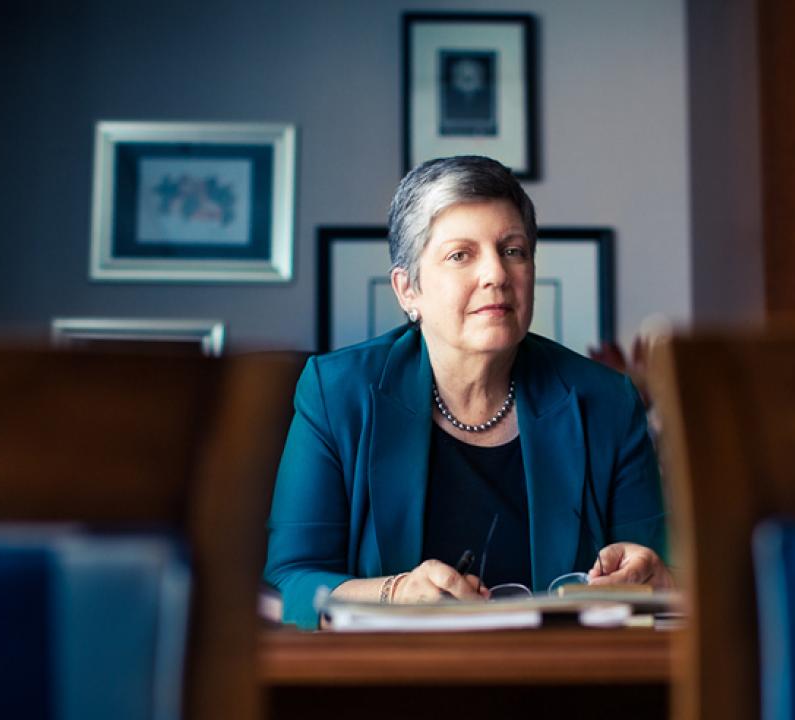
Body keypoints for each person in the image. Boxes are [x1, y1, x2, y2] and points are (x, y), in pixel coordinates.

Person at [264, 156, 669, 629]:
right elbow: (288, 582)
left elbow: (653, 582)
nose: (496, 274)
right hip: (386, 687)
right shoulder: (336, 394)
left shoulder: (607, 402)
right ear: (407, 289)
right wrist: (394, 593)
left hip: (566, 687)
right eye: (461, 255)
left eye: (513, 250)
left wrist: (657, 579)